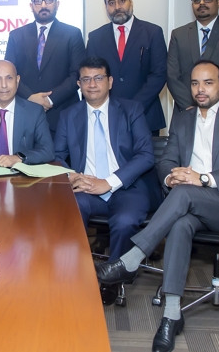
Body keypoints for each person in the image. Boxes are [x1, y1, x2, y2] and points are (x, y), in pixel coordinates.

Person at [95, 60, 219, 352]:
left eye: (208, 83)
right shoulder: (183, 118)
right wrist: (171, 177)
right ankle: (172, 315)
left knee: (185, 195)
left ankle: (132, 259)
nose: (200, 89)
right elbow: (167, 160)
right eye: (195, 83)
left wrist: (202, 178)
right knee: (180, 224)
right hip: (194, 205)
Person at [54, 56, 159, 305]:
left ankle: (112, 279)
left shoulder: (131, 110)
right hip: (87, 187)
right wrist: (73, 175)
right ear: (79, 84)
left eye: (98, 78)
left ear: (110, 81)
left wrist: (109, 182)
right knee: (70, 209)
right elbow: (56, 157)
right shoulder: (68, 115)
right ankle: (77, 274)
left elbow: (146, 155)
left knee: (125, 221)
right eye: (86, 79)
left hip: (127, 186)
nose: (92, 84)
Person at [4, 0, 86, 136]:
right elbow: (9, 75)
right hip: (25, 115)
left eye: (49, 0)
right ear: (31, 5)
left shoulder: (72, 34)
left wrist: (49, 99)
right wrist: (30, 97)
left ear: (57, 4)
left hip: (62, 116)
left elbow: (77, 75)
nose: (43, 5)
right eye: (38, 1)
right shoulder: (16, 36)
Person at [86, 0, 167, 135]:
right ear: (106, 7)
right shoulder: (96, 37)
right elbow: (92, 76)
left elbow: (159, 74)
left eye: (122, 0)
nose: (117, 7)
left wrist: (134, 107)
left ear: (131, 1)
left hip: (145, 115)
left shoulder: (153, 32)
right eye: (111, 3)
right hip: (108, 117)